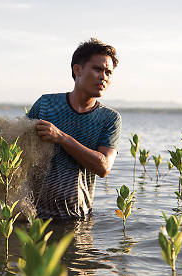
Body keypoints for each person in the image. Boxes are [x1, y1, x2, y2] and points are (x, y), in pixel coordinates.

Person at [27, 38, 121, 220]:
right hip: (34, 216)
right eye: (97, 69)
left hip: (77, 219)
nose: (104, 77)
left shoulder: (110, 118)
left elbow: (103, 167)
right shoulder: (46, 104)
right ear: (77, 69)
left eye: (108, 72)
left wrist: (61, 137)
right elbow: (18, 146)